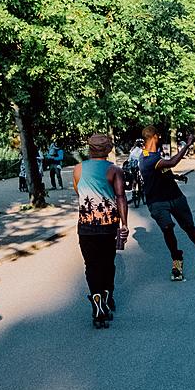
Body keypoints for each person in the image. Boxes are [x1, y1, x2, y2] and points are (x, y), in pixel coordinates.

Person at [139, 125, 195, 281]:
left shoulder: (152, 154)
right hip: (157, 202)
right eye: (159, 137)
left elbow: (162, 170)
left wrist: (176, 177)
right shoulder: (147, 158)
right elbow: (172, 163)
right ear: (155, 136)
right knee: (168, 229)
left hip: (175, 197)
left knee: (189, 227)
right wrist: (187, 144)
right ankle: (177, 262)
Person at [73, 133, 129, 329]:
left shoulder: (78, 169)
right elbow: (121, 197)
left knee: (91, 265)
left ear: (89, 149)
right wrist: (124, 225)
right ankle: (107, 296)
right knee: (107, 263)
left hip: (86, 227)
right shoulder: (114, 170)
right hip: (108, 227)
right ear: (108, 150)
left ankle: (96, 300)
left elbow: (79, 192)